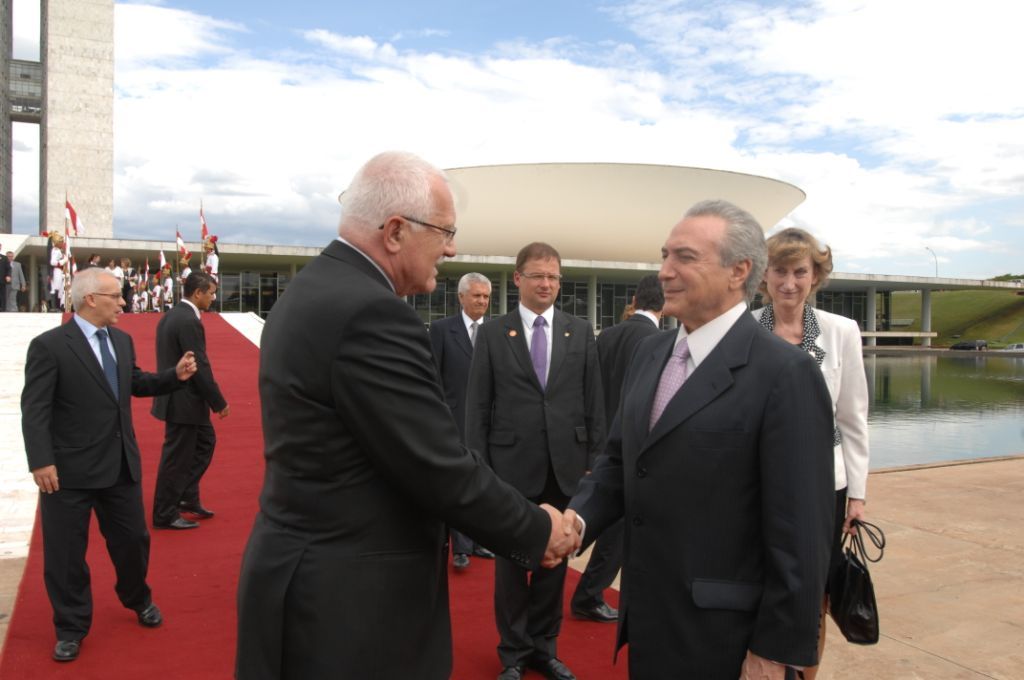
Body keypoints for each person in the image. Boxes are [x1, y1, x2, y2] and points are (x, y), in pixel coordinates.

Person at [235, 151, 578, 680]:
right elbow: (435, 464)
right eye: (445, 231)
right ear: (395, 231)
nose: (452, 247)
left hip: (302, 576)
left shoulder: (310, 289)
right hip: (349, 607)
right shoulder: (372, 313)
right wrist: (536, 528)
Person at [565, 200, 835, 679]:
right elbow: (621, 460)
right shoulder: (650, 353)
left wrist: (775, 652)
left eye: (684, 258)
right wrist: (576, 521)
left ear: (739, 271)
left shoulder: (786, 374)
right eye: (665, 255)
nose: (665, 272)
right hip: (649, 623)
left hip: (725, 641)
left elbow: (801, 536)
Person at [20, 267, 198, 663]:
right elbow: (34, 410)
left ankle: (137, 598)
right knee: (66, 555)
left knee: (133, 541)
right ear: (90, 300)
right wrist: (41, 461)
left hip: (119, 467)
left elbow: (133, 382)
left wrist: (174, 376)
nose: (123, 302)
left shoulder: (121, 339)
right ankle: (70, 627)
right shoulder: (49, 346)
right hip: (66, 473)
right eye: (116, 296)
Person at [466, 242, 605, 680]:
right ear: (518, 279)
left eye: (554, 277)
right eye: (538, 275)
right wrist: (480, 467)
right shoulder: (493, 333)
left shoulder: (579, 331)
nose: (547, 284)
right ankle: (512, 654)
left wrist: (595, 463)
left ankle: (544, 649)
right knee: (511, 568)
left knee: (555, 562)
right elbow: (477, 406)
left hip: (564, 468)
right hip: (509, 470)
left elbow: (594, 402)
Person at [754, 227, 870, 680]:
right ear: (763, 276)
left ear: (815, 275)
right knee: (760, 584)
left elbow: (853, 417)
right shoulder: (744, 331)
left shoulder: (841, 332)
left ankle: (803, 674)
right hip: (756, 482)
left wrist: (857, 495)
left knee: (812, 593)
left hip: (824, 486)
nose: (789, 282)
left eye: (799, 272)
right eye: (779, 271)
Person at [570, 273, 663, 625]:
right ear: (663, 304)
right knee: (619, 528)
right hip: (632, 447)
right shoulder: (659, 341)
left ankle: (579, 581)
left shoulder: (606, 335)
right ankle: (589, 595)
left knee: (595, 513)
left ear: (635, 300)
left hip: (598, 441)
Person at [428, 272, 498, 570]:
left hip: (487, 423)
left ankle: (480, 539)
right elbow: (432, 376)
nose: (482, 301)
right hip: (452, 421)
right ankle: (460, 546)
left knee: (482, 482)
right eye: (476, 296)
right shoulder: (443, 330)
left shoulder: (496, 332)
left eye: (485, 296)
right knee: (457, 483)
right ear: (461, 297)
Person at [151, 272, 229, 530]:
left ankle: (187, 496)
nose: (213, 297)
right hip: (183, 400)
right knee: (177, 459)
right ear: (198, 293)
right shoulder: (187, 321)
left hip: (179, 398)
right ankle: (165, 512)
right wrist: (217, 401)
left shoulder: (174, 315)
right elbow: (199, 365)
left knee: (205, 443)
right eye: (211, 292)